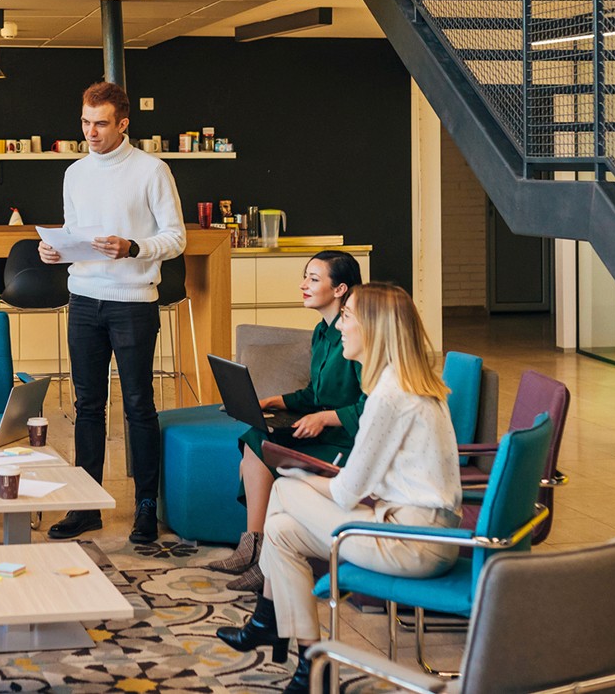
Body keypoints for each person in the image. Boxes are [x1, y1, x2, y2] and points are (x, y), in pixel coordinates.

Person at [216, 283, 462, 694]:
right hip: (411, 525)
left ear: (374, 329)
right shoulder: (404, 381)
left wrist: (300, 476)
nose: (341, 327)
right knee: (280, 531)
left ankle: (269, 621)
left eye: (347, 317)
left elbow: (348, 492)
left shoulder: (390, 394)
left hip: (415, 542)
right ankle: (311, 662)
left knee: (284, 491)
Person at [39, 81, 186, 543]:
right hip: (82, 299)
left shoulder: (152, 170)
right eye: (85, 122)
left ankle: (145, 508)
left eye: (100, 123)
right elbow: (73, 234)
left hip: (133, 302)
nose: (91, 132)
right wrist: (55, 251)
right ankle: (87, 504)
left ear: (123, 123)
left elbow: (176, 238)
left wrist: (134, 246)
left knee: (139, 405)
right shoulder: (75, 172)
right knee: (87, 406)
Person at [207, 251, 365, 593]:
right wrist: (277, 401)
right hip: (322, 428)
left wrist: (324, 418)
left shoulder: (358, 334)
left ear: (339, 289)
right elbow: (316, 393)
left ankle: (262, 557)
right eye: (304, 277)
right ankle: (254, 547)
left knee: (261, 449)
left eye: (313, 279)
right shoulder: (322, 333)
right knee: (256, 436)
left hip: (346, 440)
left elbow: (370, 407)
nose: (302, 285)